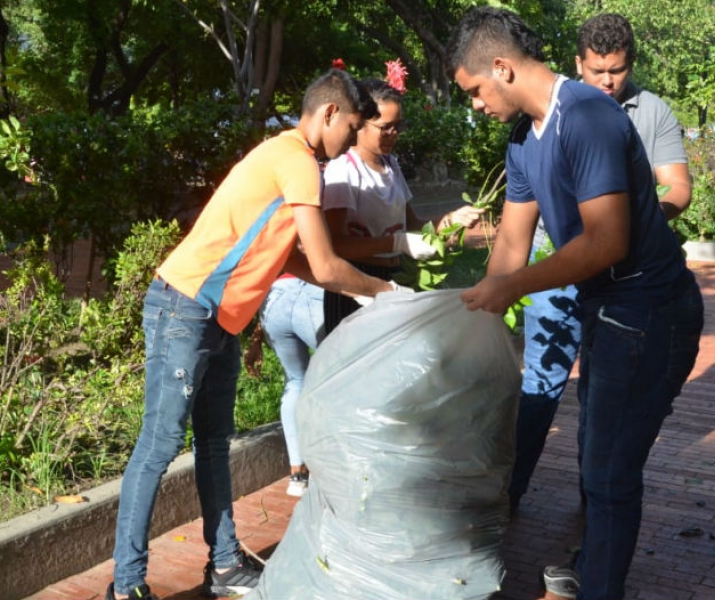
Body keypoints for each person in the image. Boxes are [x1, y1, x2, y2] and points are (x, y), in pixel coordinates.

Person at [107, 69, 399, 600]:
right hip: (186, 306)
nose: (352, 139)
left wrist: (379, 275)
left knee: (213, 441)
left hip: (217, 318)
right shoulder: (297, 161)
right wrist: (384, 291)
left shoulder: (290, 159)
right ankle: (126, 585)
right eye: (352, 126)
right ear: (329, 113)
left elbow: (298, 258)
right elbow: (329, 267)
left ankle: (223, 565)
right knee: (159, 444)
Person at [445, 8, 704, 600]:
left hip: (649, 311)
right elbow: (511, 242)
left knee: (608, 474)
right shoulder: (522, 138)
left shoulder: (587, 116)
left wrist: (511, 288)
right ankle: (594, 570)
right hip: (607, 310)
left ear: (503, 68)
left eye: (476, 90)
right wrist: (473, 319)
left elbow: (606, 241)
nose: (476, 105)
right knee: (597, 455)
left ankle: (599, 585)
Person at [509, 12, 692, 517]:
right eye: (596, 71)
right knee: (541, 384)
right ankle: (508, 495)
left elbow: (678, 186)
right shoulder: (550, 115)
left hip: (621, 280)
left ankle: (595, 505)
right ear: (578, 64)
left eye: (617, 70)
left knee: (599, 397)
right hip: (556, 271)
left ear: (629, 64)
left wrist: (636, 220)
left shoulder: (652, 110)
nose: (608, 81)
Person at [322, 76, 484, 333]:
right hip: (356, 286)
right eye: (385, 127)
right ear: (360, 123)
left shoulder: (390, 164)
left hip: (395, 277)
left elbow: (413, 224)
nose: (393, 134)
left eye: (398, 126)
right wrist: (397, 242)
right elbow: (336, 246)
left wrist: (450, 221)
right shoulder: (343, 171)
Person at [255, 275, 325, 497]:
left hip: (274, 298)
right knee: (345, 372)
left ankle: (297, 473)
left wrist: (256, 339)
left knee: (295, 380)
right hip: (314, 293)